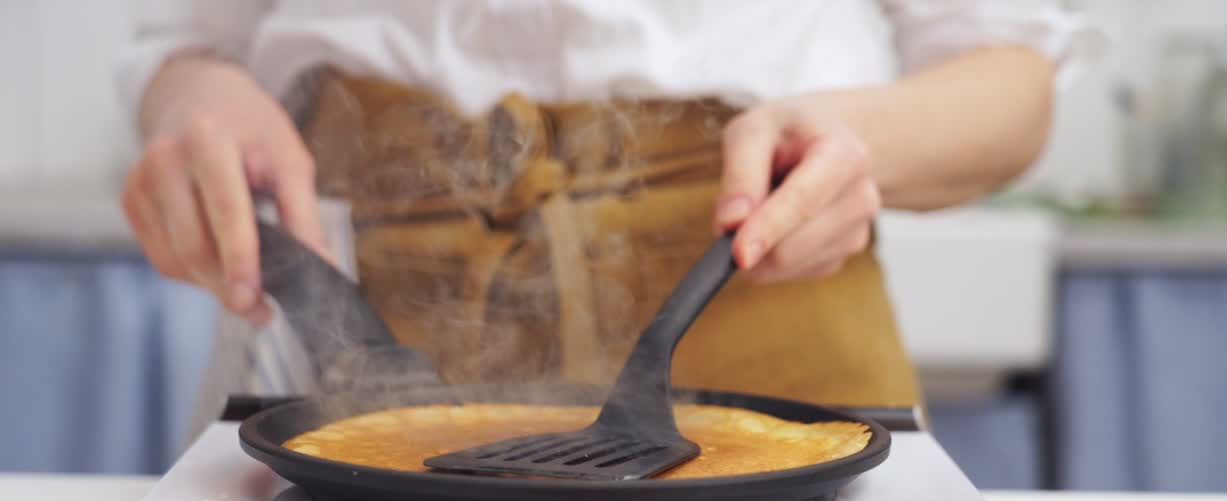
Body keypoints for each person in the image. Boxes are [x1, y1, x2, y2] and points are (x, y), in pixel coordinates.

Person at [116, 2, 1090, 435]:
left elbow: (1011, 84)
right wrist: (196, 104)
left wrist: (854, 140)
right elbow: (191, 43)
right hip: (359, 338)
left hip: (763, 316)